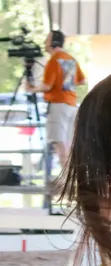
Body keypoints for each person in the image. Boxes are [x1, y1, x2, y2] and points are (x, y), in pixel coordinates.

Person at [25, 29, 86, 172]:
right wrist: (65, 83)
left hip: (58, 105)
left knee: (60, 143)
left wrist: (31, 89)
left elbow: (47, 86)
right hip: (71, 105)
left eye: (47, 40)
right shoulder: (70, 58)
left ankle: (66, 178)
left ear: (53, 42)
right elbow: (82, 80)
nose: (45, 43)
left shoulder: (53, 60)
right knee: (69, 142)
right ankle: (74, 175)